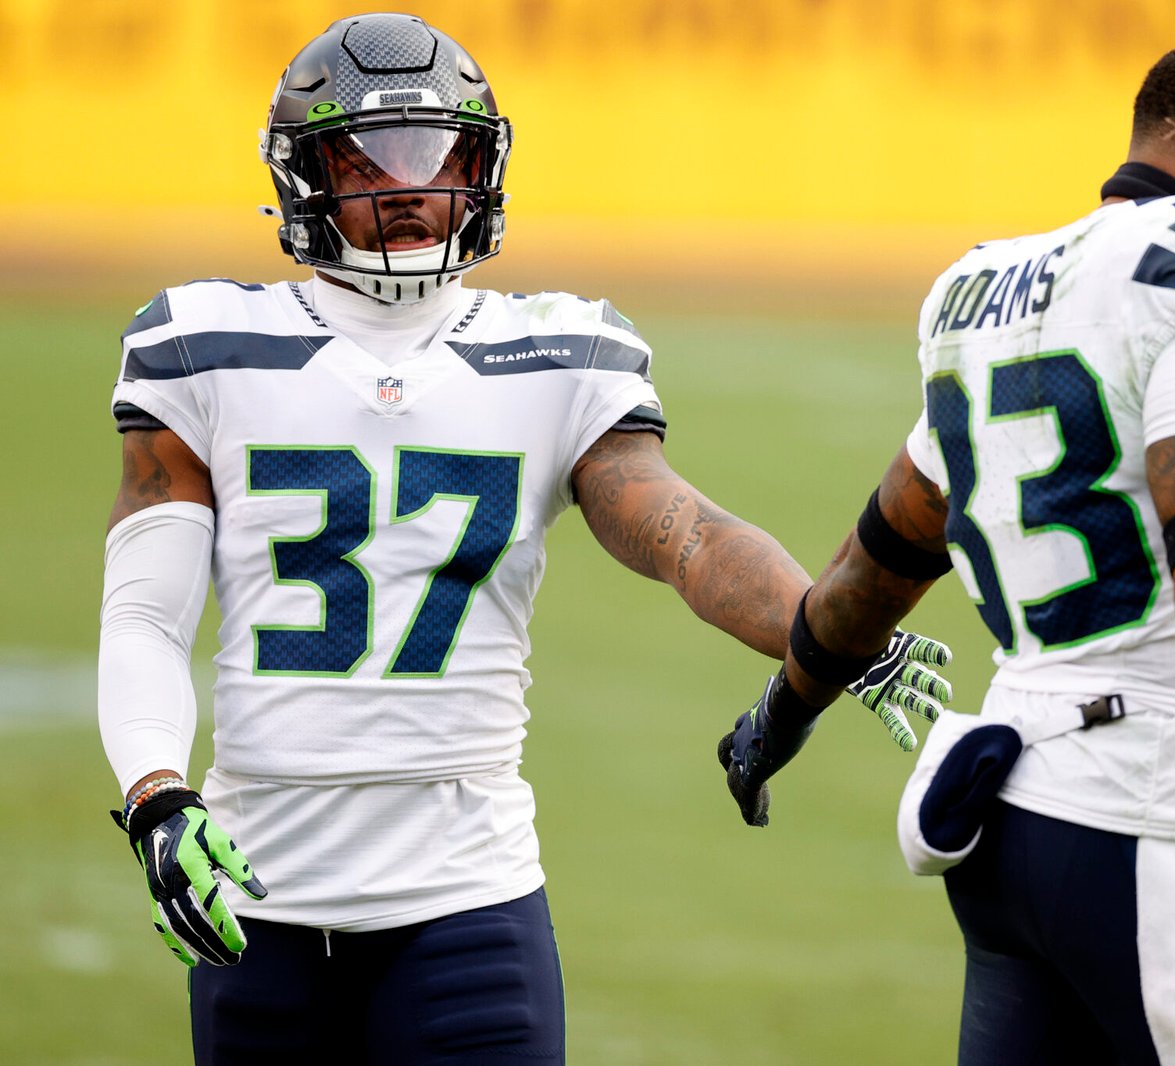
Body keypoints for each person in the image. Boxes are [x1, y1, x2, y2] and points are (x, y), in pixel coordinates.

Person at [97, 13, 952, 1063]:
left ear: (484, 161)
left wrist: (828, 629)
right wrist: (155, 795)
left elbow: (680, 530)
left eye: (439, 152)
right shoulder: (204, 347)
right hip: (252, 892)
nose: (412, 188)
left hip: (469, 904)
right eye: (371, 158)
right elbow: (145, 608)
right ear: (303, 174)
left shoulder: (554, 350)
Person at [719, 35, 1175, 1065]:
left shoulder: (981, 288)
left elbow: (881, 557)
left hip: (1009, 819)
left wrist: (785, 706)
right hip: (1147, 810)